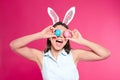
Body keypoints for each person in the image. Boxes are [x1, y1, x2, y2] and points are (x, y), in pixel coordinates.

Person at [10, 21, 110, 80]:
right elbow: (14, 45)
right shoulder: (41, 57)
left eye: (64, 34)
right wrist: (40, 35)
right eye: (57, 33)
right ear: (50, 37)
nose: (61, 36)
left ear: (67, 39)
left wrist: (82, 41)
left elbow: (105, 54)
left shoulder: (74, 55)